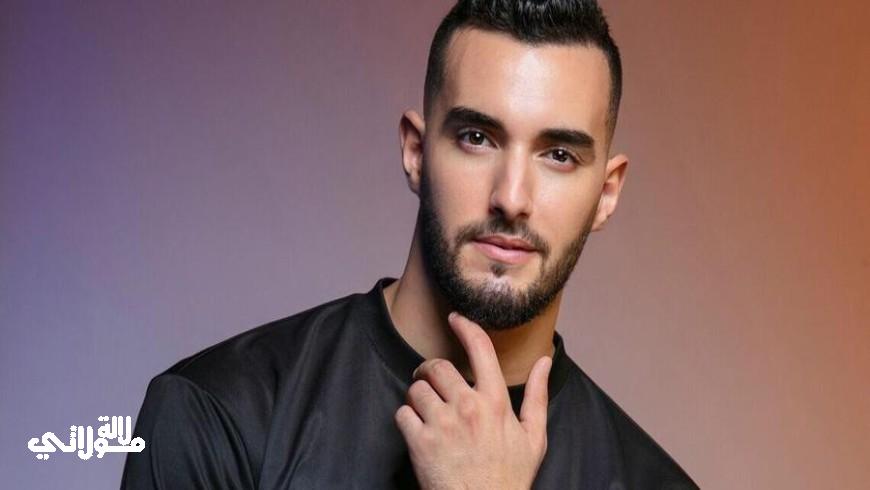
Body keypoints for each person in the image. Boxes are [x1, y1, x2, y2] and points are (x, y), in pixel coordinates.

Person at [122, 1, 698, 488]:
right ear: (416, 153)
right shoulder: (217, 415)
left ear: (606, 194)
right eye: (477, 138)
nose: (512, 197)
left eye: (559, 155)